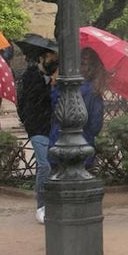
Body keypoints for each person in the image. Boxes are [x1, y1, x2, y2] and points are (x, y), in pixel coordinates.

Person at [44, 48, 107, 213]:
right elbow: (95, 125)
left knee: (58, 186)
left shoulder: (61, 86)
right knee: (79, 192)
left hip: (56, 144)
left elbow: (54, 110)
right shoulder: (93, 92)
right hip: (82, 148)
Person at [18, 46, 57, 224]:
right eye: (50, 57)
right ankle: (41, 205)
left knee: (54, 166)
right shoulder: (31, 76)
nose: (53, 61)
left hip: (53, 127)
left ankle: (53, 203)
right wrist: (49, 84)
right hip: (37, 128)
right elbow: (32, 100)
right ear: (41, 58)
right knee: (44, 166)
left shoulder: (56, 77)